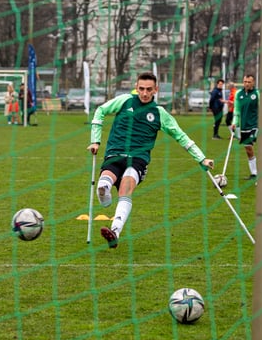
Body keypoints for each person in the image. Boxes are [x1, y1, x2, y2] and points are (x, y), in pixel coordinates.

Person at [87, 72, 214, 249]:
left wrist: (201, 158)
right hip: (115, 153)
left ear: (156, 90)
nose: (144, 93)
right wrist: (95, 140)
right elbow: (101, 110)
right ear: (136, 87)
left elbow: (181, 136)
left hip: (138, 159)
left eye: (148, 89)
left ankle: (115, 231)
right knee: (104, 181)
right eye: (141, 89)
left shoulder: (159, 113)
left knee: (126, 187)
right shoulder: (125, 101)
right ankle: (104, 192)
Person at [232, 74, 259, 181]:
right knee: (248, 149)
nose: (246, 84)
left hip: (256, 125)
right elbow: (237, 110)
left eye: (249, 82)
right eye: (245, 82)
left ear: (253, 83)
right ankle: (254, 174)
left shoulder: (258, 94)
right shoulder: (239, 94)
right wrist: (235, 122)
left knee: (260, 147)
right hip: (244, 126)